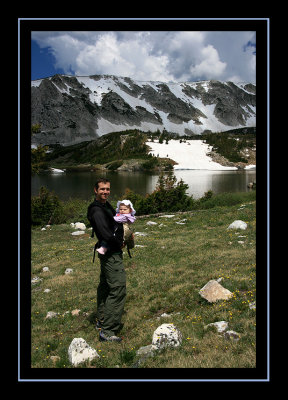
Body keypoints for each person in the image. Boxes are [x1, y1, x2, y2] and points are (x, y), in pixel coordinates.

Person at [87, 178, 126, 342]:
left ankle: (102, 320)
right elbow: (104, 233)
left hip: (107, 252)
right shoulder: (97, 210)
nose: (105, 192)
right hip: (111, 253)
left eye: (108, 189)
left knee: (105, 286)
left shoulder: (104, 206)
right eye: (102, 189)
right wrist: (120, 243)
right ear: (95, 190)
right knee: (117, 288)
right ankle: (108, 331)